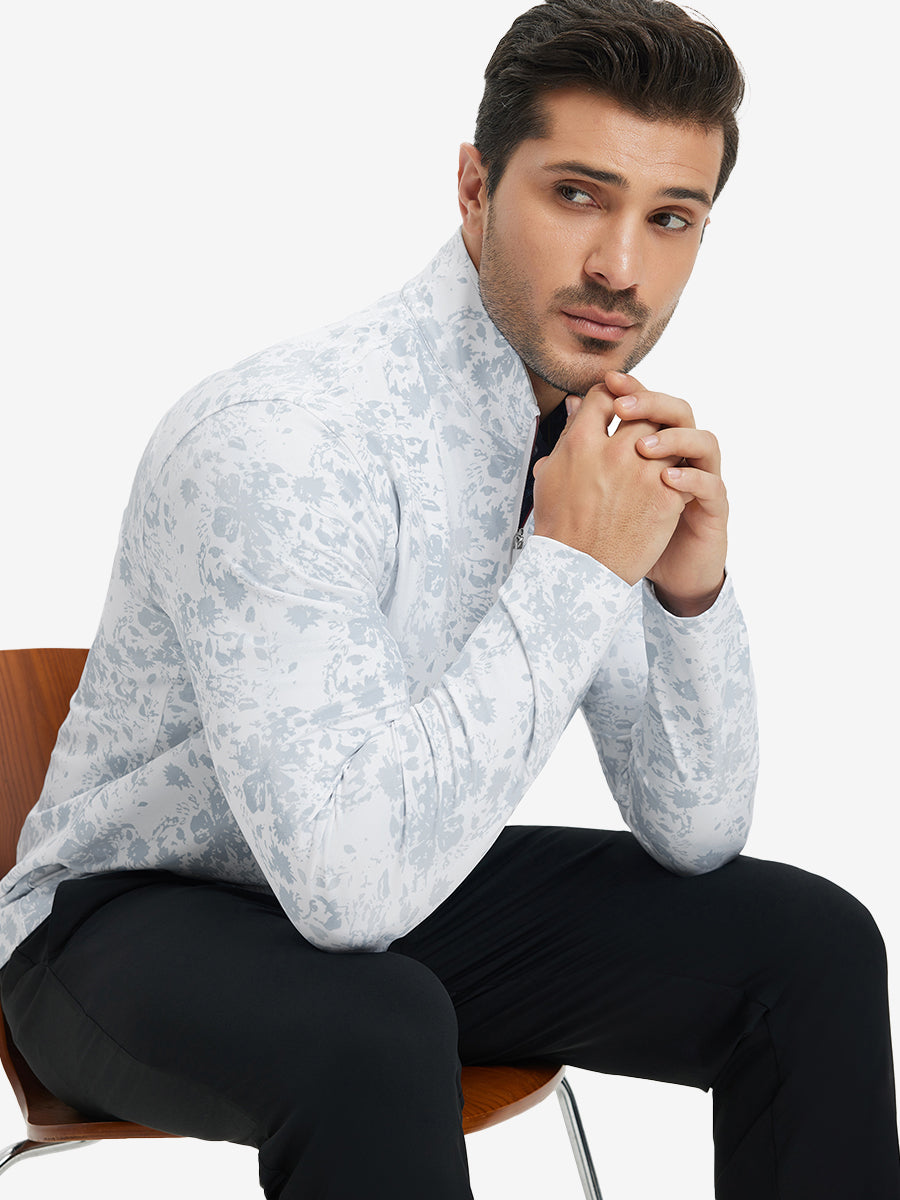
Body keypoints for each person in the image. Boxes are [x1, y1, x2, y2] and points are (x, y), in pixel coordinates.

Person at [0, 0, 897, 1195]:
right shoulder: (282, 438)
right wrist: (575, 568)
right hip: (126, 917)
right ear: (475, 189)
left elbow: (694, 831)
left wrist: (688, 598)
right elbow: (346, 890)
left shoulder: (583, 451)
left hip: (400, 887)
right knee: (373, 1026)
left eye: (670, 217)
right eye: (576, 194)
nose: (620, 268)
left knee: (811, 947)